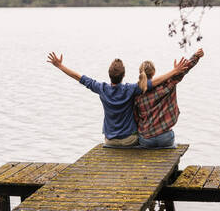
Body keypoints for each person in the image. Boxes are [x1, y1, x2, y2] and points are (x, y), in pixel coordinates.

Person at [47, 52, 189, 147]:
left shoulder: (101, 88)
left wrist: (59, 65)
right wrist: (175, 71)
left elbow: (78, 77)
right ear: (124, 75)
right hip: (130, 140)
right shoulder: (131, 89)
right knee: (144, 138)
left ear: (109, 75)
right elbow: (154, 82)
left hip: (110, 142)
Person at [134, 48, 204, 148]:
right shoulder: (167, 84)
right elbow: (185, 68)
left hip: (146, 139)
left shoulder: (137, 92)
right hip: (165, 138)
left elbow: (136, 117)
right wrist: (196, 56)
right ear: (154, 72)